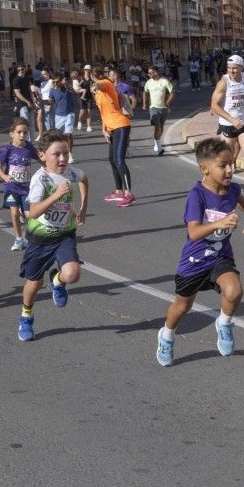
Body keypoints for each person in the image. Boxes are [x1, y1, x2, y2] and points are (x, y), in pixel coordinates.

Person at [156, 138, 244, 367]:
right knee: (182, 306)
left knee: (234, 291)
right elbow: (193, 232)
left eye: (232, 163)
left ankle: (224, 324)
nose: (230, 170)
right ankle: (167, 336)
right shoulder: (197, 195)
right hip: (194, 262)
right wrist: (219, 223)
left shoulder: (231, 188)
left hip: (220, 257)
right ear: (205, 168)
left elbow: (240, 199)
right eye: (223, 166)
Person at [16, 129, 88, 342]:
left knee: (73, 274)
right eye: (57, 154)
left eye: (65, 153)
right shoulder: (41, 179)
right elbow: (34, 212)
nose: (63, 158)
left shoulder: (71, 173)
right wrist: (56, 195)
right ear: (42, 156)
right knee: (33, 283)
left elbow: (85, 179)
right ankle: (26, 316)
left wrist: (83, 208)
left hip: (65, 234)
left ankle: (57, 281)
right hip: (40, 239)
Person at [210, 54, 244, 205]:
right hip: (227, 123)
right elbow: (214, 105)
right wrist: (232, 120)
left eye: (235, 68)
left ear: (241, 68)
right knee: (228, 160)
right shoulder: (223, 82)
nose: (232, 71)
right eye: (229, 68)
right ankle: (221, 188)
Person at [92, 64, 134, 206]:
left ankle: (128, 193)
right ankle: (118, 191)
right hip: (112, 127)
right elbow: (104, 112)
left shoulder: (106, 84)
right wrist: (104, 129)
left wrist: (94, 85)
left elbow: (99, 84)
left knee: (119, 160)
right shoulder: (98, 93)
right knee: (112, 159)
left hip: (121, 125)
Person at [0, 118, 37, 251]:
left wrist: (50, 165)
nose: (22, 135)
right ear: (12, 134)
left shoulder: (29, 147)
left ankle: (31, 234)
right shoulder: (7, 150)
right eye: (19, 132)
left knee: (29, 215)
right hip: (11, 187)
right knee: (14, 214)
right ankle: (19, 238)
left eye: (25, 132)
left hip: (26, 188)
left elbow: (40, 159)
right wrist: (4, 176)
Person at [143, 64, 175, 155]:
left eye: (150, 73)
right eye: (148, 73)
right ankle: (159, 147)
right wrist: (144, 103)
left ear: (156, 72)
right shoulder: (148, 82)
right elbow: (145, 92)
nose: (149, 75)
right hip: (153, 108)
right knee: (157, 127)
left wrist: (167, 102)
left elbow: (172, 92)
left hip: (164, 108)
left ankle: (157, 142)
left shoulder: (164, 81)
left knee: (161, 127)